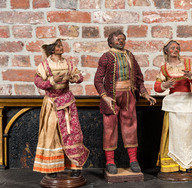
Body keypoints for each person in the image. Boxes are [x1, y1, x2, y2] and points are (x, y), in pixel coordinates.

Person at [94, 30, 156, 174]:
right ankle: (110, 161)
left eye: (123, 39)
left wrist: (144, 93)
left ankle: (133, 160)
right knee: (110, 127)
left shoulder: (130, 56)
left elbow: (139, 77)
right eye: (117, 39)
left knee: (130, 125)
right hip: (111, 97)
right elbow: (98, 80)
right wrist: (104, 96)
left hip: (129, 95)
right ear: (110, 42)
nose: (121, 41)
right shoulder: (106, 57)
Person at [33, 39, 89, 178]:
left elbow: (79, 77)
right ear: (52, 49)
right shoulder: (45, 65)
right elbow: (38, 82)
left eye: (61, 45)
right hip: (52, 103)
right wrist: (52, 80)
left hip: (67, 103)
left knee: (72, 133)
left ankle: (75, 166)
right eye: (58, 46)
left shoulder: (67, 63)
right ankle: (53, 168)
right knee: (52, 133)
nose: (61, 47)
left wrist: (75, 78)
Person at [154, 40, 192, 176]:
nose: (175, 50)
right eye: (172, 48)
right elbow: (157, 87)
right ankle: (172, 164)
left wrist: (191, 76)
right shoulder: (164, 68)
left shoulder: (187, 64)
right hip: (174, 104)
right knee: (174, 134)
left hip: (187, 102)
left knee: (188, 133)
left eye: (177, 48)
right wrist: (165, 85)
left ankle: (188, 164)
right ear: (166, 51)